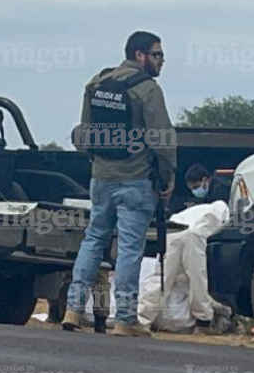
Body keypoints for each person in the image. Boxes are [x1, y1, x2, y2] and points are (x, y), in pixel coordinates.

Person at [65, 30, 176, 337]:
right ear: (140, 55)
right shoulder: (147, 89)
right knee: (128, 248)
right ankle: (125, 319)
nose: (162, 61)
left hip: (101, 178)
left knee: (93, 238)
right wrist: (168, 178)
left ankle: (73, 309)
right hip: (135, 181)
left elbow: (85, 132)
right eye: (157, 55)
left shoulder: (97, 83)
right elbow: (163, 139)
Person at [138, 201, 234, 335]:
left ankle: (142, 319)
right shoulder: (222, 211)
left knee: (162, 277)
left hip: (172, 229)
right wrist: (204, 315)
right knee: (196, 276)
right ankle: (203, 321)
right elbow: (196, 275)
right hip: (193, 233)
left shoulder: (196, 210)